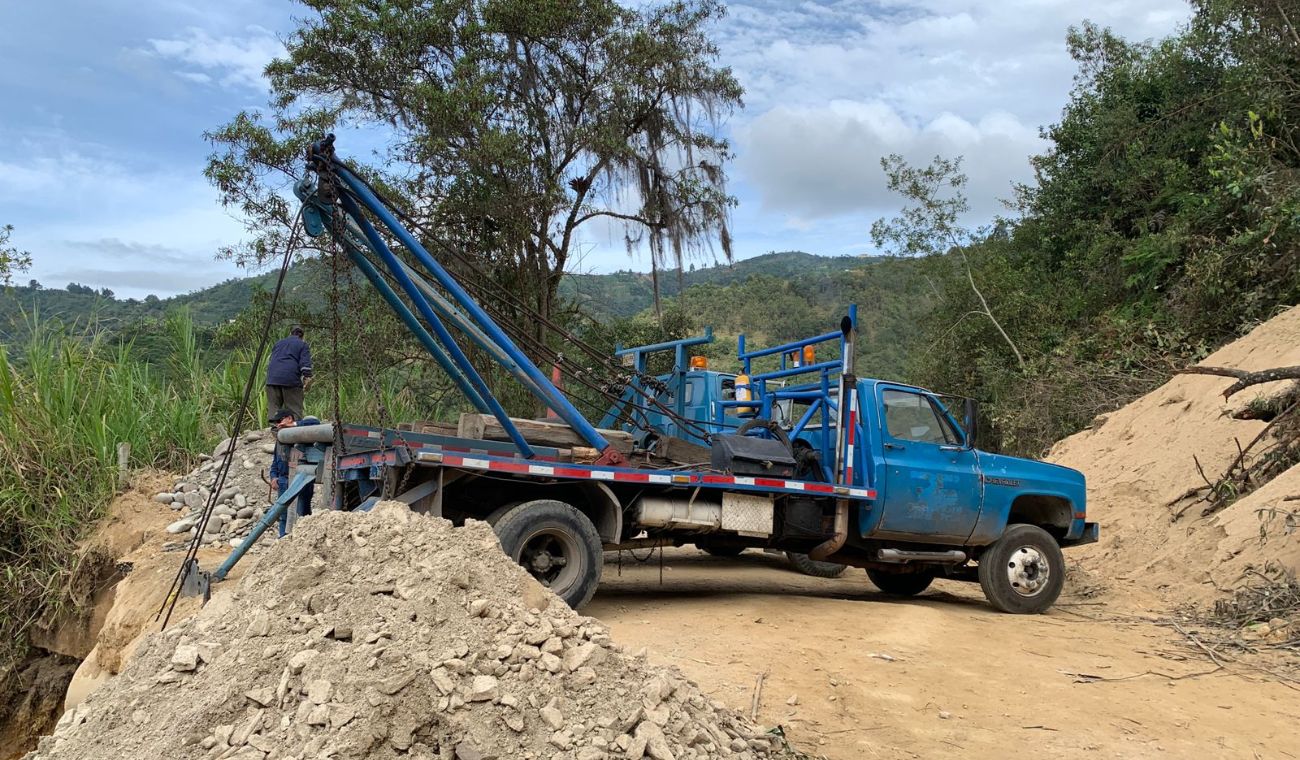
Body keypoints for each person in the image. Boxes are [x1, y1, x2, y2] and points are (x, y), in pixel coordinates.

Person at [269, 408, 319, 537]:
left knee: (302, 514)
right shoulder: (280, 440)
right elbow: (276, 460)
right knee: (283, 516)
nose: (278, 425)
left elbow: (315, 423)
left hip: (301, 480)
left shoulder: (303, 433)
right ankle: (283, 542)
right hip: (284, 481)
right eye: (276, 422)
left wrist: (293, 426)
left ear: (289, 418)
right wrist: (274, 477)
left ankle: (302, 543)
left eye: (280, 421)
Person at [266, 326, 313, 420]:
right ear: (302, 336)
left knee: (274, 407)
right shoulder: (302, 344)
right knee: (294, 408)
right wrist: (307, 377)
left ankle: (275, 429)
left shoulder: (278, 343)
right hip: (290, 379)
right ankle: (293, 430)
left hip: (272, 379)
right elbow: (305, 364)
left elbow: (274, 359)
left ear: (290, 334)